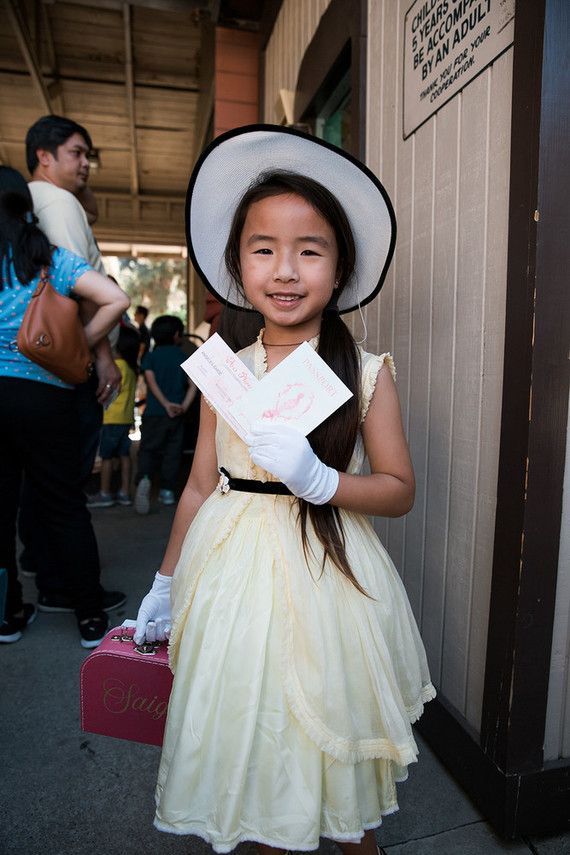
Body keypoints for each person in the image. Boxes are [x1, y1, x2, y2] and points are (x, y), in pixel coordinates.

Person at [133, 126, 436, 854]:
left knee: (333, 762)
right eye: (263, 248)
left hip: (324, 579)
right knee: (252, 737)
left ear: (340, 266)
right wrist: (164, 582)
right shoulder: (222, 369)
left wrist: (322, 479)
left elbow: (399, 489)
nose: (286, 269)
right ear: (238, 266)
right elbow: (203, 483)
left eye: (310, 248)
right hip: (230, 577)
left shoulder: (367, 371)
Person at [0, 166, 130, 647]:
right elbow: (115, 298)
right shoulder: (44, 256)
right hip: (42, 393)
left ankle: (7, 614)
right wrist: (73, 347)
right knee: (64, 506)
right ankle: (90, 616)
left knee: (0, 511)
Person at [134, 315, 197, 515]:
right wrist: (183, 406)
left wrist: (165, 404)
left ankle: (145, 479)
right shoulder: (183, 357)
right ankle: (168, 491)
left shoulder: (151, 357)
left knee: (148, 450)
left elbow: (151, 383)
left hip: (154, 413)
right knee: (172, 452)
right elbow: (194, 384)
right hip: (177, 415)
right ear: (177, 335)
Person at [87, 325, 140, 508]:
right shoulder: (132, 369)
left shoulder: (115, 367)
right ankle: (125, 492)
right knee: (124, 456)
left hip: (110, 420)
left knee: (107, 457)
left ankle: (105, 493)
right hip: (125, 420)